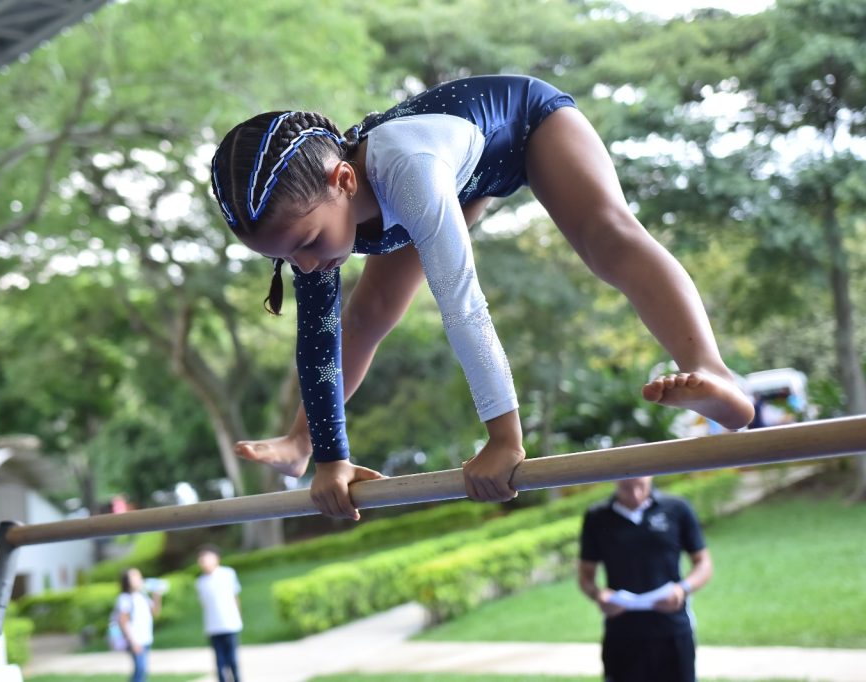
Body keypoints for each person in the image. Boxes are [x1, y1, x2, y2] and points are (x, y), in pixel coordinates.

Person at [209, 74, 755, 519]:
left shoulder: (407, 173)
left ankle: (714, 373)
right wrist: (331, 457)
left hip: (527, 124)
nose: (304, 265)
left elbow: (463, 304)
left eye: (306, 244)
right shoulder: (314, 216)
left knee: (607, 239)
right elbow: (318, 338)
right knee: (368, 313)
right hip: (458, 175)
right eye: (284, 260)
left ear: (345, 180)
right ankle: (302, 442)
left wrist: (504, 440)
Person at [578, 475, 713, 682]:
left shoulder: (676, 508)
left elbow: (703, 563)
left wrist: (682, 589)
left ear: (650, 476)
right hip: (622, 632)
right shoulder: (597, 516)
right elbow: (585, 574)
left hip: (672, 629)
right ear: (615, 480)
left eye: (640, 486)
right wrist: (598, 595)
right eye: (626, 488)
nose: (634, 494)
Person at [195, 544, 243, 682]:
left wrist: (238, 616)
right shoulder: (200, 582)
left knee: (232, 660)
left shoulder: (228, 574)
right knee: (220, 662)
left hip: (230, 624)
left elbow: (235, 597)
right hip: (213, 627)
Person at [113, 567, 162, 682]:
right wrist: (133, 642)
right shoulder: (125, 598)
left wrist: (157, 596)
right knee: (140, 670)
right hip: (136, 640)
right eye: (134, 577)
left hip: (146, 638)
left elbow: (155, 612)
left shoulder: (143, 596)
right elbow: (123, 621)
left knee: (142, 671)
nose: (139, 579)